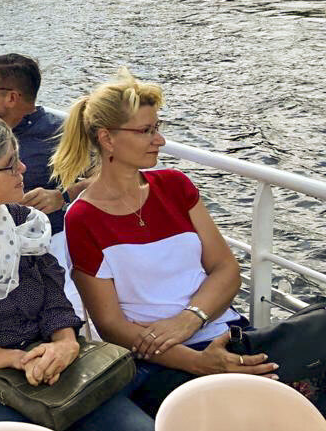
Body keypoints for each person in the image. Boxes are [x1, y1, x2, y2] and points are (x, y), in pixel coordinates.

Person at [50, 71, 312, 415]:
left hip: (225, 334)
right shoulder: (83, 218)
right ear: (107, 139)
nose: (159, 140)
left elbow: (226, 268)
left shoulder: (175, 186)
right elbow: (111, 326)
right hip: (156, 361)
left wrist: (190, 319)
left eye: (157, 127)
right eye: (146, 131)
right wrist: (199, 363)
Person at [0, 116, 154, 431]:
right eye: (10, 164)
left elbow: (55, 301)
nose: (22, 169)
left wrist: (65, 345)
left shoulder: (24, 223)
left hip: (51, 361)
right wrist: (17, 360)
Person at [0, 54, 86, 234]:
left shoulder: (59, 134)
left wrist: (62, 196)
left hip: (42, 240)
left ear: (11, 98)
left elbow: (106, 177)